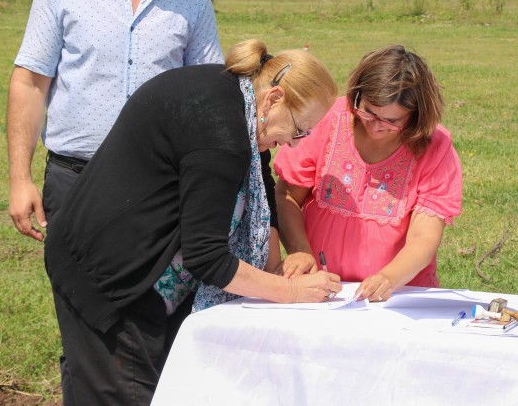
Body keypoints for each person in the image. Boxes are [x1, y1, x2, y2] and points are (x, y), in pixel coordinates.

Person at [44, 39, 342, 405]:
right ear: (275, 99)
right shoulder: (222, 131)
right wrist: (290, 292)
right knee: (130, 396)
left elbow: (260, 189)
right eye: (299, 130)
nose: (296, 144)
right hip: (109, 276)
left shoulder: (239, 103)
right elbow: (207, 257)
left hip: (147, 264)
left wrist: (278, 263)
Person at [7, 0, 223, 243]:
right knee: (77, 297)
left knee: (160, 302)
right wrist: (20, 180)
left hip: (161, 185)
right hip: (74, 179)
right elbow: (30, 83)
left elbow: (208, 95)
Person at [273, 45, 463, 302]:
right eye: (369, 112)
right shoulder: (328, 119)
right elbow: (288, 196)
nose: (375, 127)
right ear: (357, 94)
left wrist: (389, 278)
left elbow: (424, 237)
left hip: (398, 296)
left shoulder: (434, 147)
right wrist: (301, 253)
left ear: (417, 115)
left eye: (392, 121)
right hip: (320, 288)